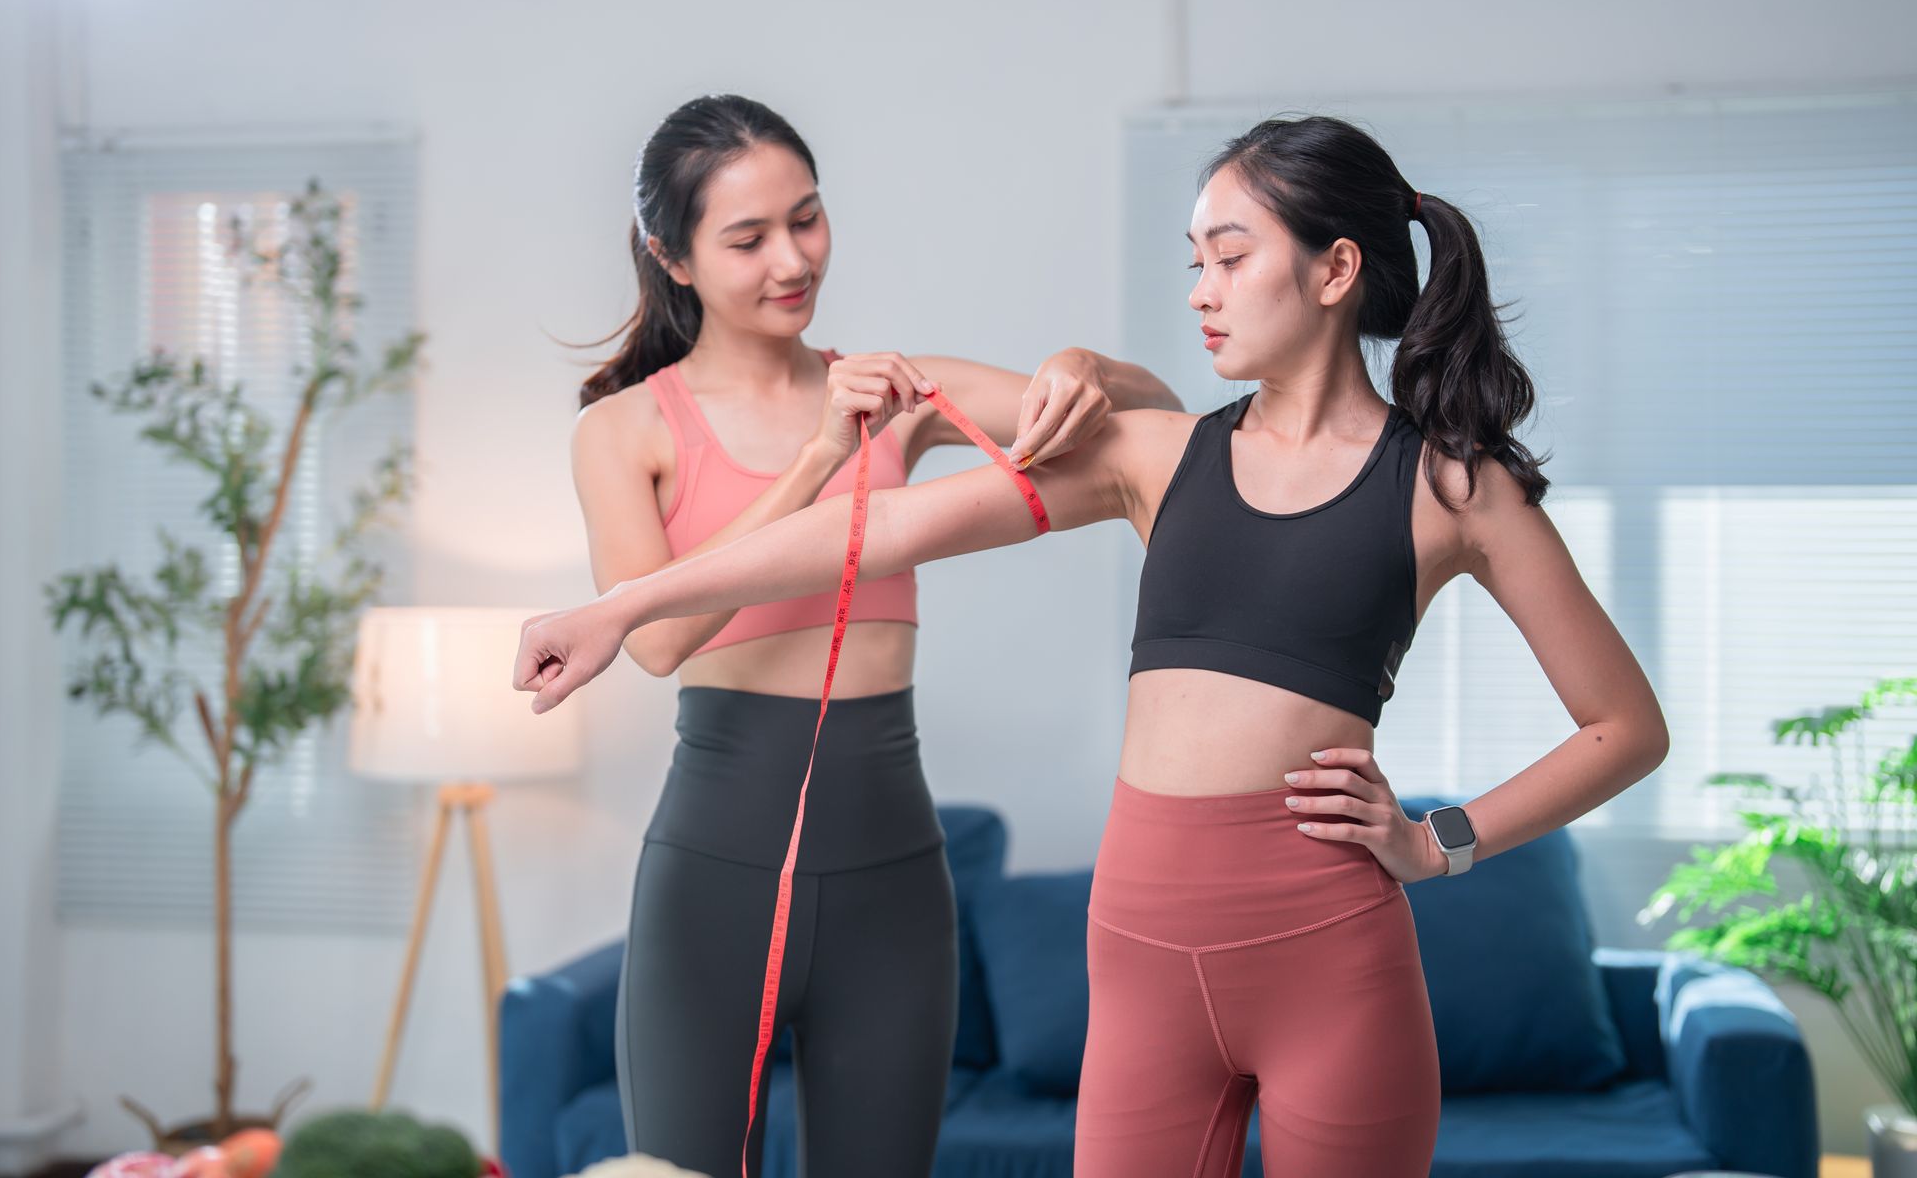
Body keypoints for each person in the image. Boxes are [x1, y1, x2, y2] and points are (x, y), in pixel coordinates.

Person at [526, 114, 1669, 1177]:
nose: (1201, 292)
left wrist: (1440, 840)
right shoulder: (1157, 458)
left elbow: (1625, 726)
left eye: (1229, 258)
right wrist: (620, 609)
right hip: (1138, 965)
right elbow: (866, 530)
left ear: (1335, 269)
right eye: (1193, 263)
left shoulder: (1453, 485)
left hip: (1331, 951)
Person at [571, 93, 1182, 1178]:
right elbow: (656, 638)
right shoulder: (626, 428)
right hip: (713, 878)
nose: (792, 258)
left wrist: (1086, 362)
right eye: (747, 238)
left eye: (806, 218)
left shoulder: (902, 394)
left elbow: (1153, 417)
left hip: (892, 878)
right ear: (672, 257)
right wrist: (818, 455)